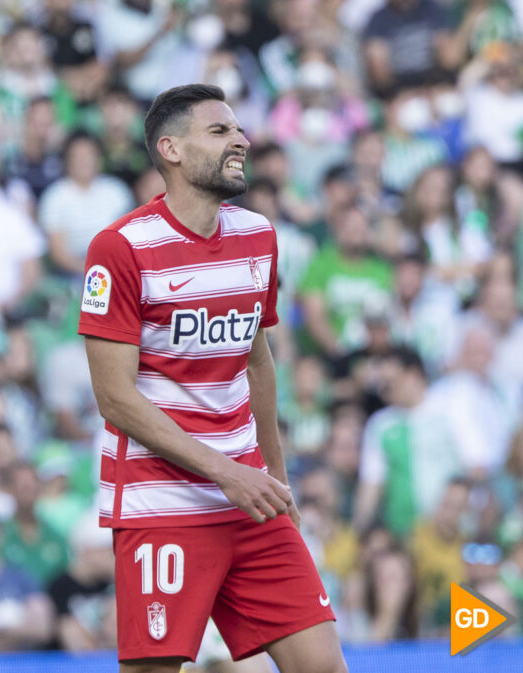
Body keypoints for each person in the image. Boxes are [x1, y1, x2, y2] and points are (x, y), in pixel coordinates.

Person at [79, 83, 347, 673]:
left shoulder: (258, 235)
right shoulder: (120, 248)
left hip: (249, 499)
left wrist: (273, 478)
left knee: (324, 666)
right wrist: (228, 473)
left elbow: (257, 361)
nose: (241, 140)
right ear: (170, 150)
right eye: (220, 131)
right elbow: (114, 398)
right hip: (162, 502)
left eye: (240, 129)